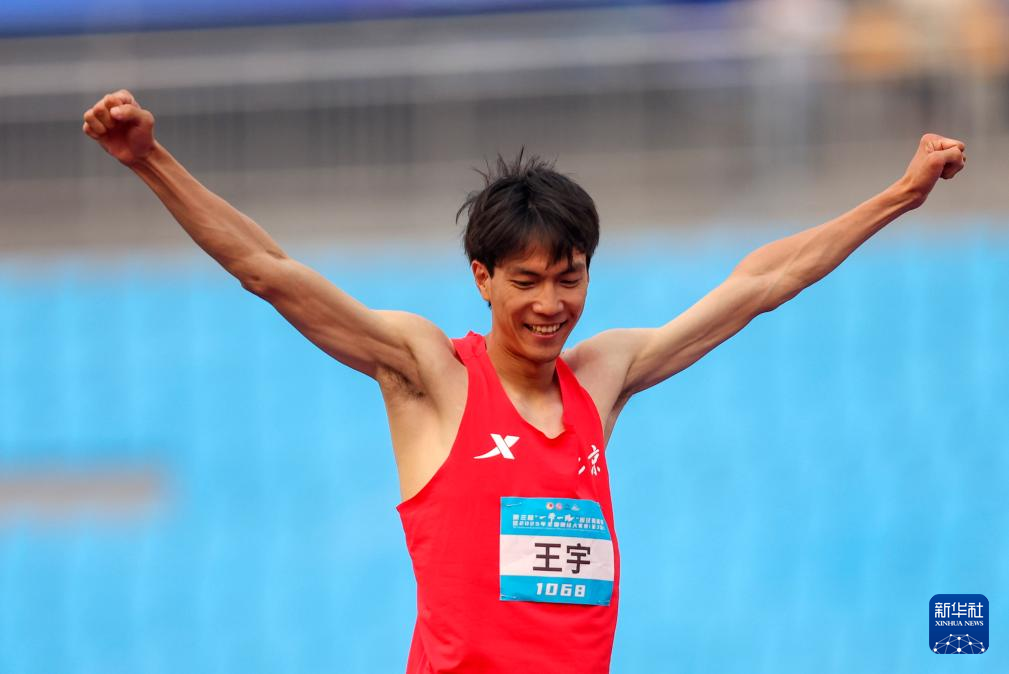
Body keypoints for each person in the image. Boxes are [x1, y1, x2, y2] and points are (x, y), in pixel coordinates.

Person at [82, 89, 966, 673]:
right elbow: (269, 271)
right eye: (526, 282)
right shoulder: (429, 374)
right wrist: (150, 161)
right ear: (482, 278)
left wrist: (898, 195)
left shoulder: (603, 376)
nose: (551, 305)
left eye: (569, 279)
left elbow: (761, 284)